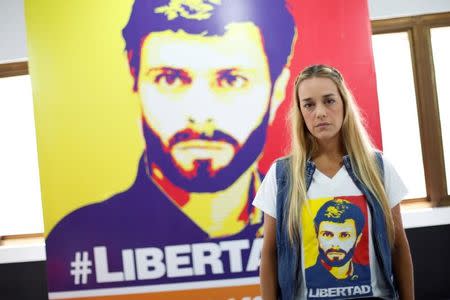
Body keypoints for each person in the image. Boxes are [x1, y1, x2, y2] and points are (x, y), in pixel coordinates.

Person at [46, 0, 296, 292]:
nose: (201, 115)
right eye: (170, 78)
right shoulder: (80, 238)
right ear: (134, 80)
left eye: (232, 80)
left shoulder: (305, 224)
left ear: (277, 90)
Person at [253, 64, 414, 300]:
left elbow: (398, 245)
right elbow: (270, 253)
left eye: (329, 101)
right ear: (300, 111)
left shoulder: (378, 168)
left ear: (344, 104)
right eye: (309, 104)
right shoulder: (281, 175)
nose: (320, 112)